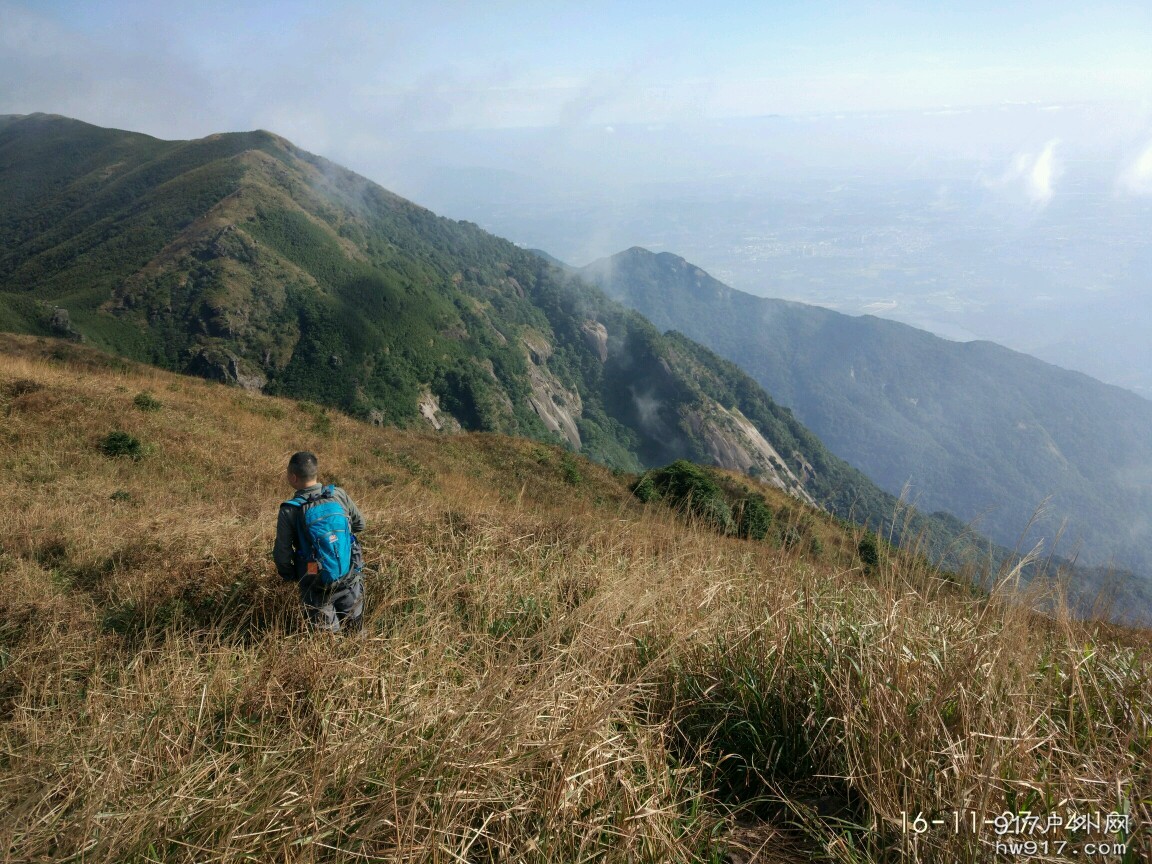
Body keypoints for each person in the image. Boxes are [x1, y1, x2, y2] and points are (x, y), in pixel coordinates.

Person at [273, 451, 366, 632]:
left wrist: (291, 575)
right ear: (315, 473)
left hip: (314, 580)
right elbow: (360, 524)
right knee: (356, 631)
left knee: (326, 639)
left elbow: (282, 554)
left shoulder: (290, 510)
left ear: (293, 477)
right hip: (349, 574)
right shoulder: (338, 494)